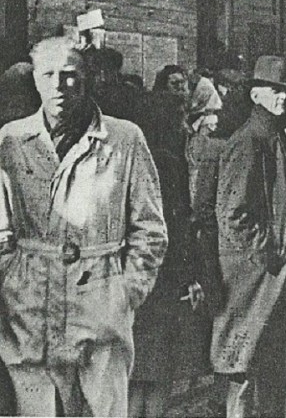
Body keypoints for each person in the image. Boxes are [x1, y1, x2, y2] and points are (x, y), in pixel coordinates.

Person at [0, 36, 167, 416]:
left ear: (87, 78)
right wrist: (12, 278)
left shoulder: (124, 140)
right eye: (48, 75)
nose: (59, 85)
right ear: (36, 82)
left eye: (70, 74)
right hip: (30, 305)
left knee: (103, 408)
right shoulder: (11, 140)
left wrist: (126, 291)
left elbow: (150, 229)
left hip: (100, 301)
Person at [211, 55, 286, 418]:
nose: (282, 97)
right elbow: (232, 212)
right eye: (273, 90)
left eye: (285, 91)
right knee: (243, 366)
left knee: (266, 363)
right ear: (254, 94)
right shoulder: (249, 141)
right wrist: (266, 251)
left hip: (269, 270)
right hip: (252, 273)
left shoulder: (273, 136)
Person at [129, 92, 209, 417]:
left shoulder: (132, 158)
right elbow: (179, 225)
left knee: (136, 374)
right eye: (181, 120)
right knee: (159, 372)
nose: (186, 128)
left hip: (134, 272)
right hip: (164, 276)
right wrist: (191, 276)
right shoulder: (171, 163)